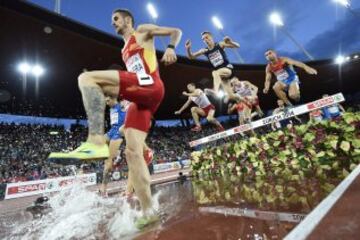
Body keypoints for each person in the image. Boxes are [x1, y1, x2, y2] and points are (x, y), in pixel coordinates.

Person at [48, 8, 182, 227]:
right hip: (141, 100)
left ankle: (95, 141)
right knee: (132, 154)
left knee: (85, 79)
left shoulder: (142, 31)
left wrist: (170, 48)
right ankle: (149, 211)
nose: (113, 23)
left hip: (151, 84)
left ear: (128, 20)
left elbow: (176, 31)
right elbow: (123, 84)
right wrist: (108, 91)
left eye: (116, 19)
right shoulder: (123, 50)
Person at [185, 32, 242, 102]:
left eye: (207, 37)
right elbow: (191, 57)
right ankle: (242, 99)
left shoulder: (220, 44)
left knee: (215, 72)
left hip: (227, 69)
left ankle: (215, 90)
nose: (205, 40)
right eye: (203, 39)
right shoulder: (204, 51)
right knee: (231, 96)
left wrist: (231, 42)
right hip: (221, 76)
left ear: (211, 37)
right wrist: (188, 49)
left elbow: (237, 46)